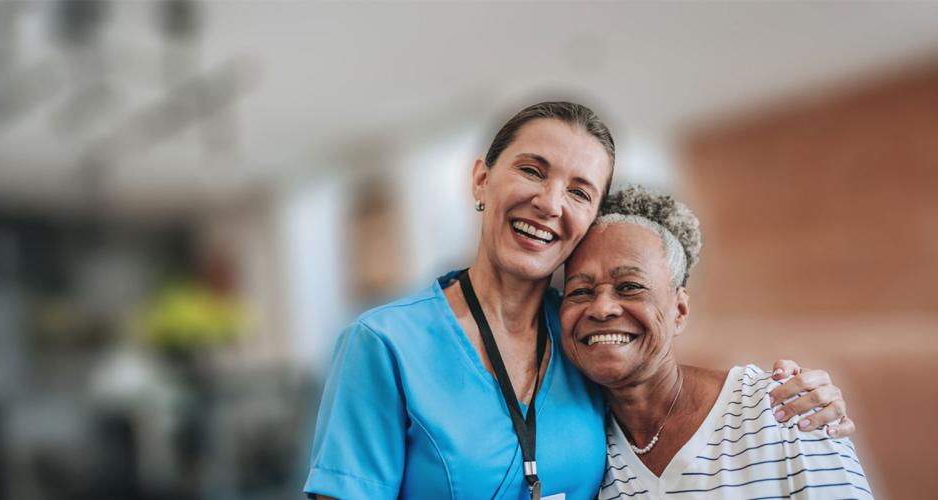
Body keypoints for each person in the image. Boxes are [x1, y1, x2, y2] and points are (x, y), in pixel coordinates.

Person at [304, 102, 856, 500]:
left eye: (579, 190)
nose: (549, 202)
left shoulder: (585, 343)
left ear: (590, 218)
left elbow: (666, 388)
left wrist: (796, 397)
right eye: (531, 170)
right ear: (481, 180)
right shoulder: (385, 344)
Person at [560, 186, 872, 499]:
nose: (601, 308)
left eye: (629, 286)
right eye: (579, 291)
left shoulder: (784, 408)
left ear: (679, 311)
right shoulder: (579, 452)